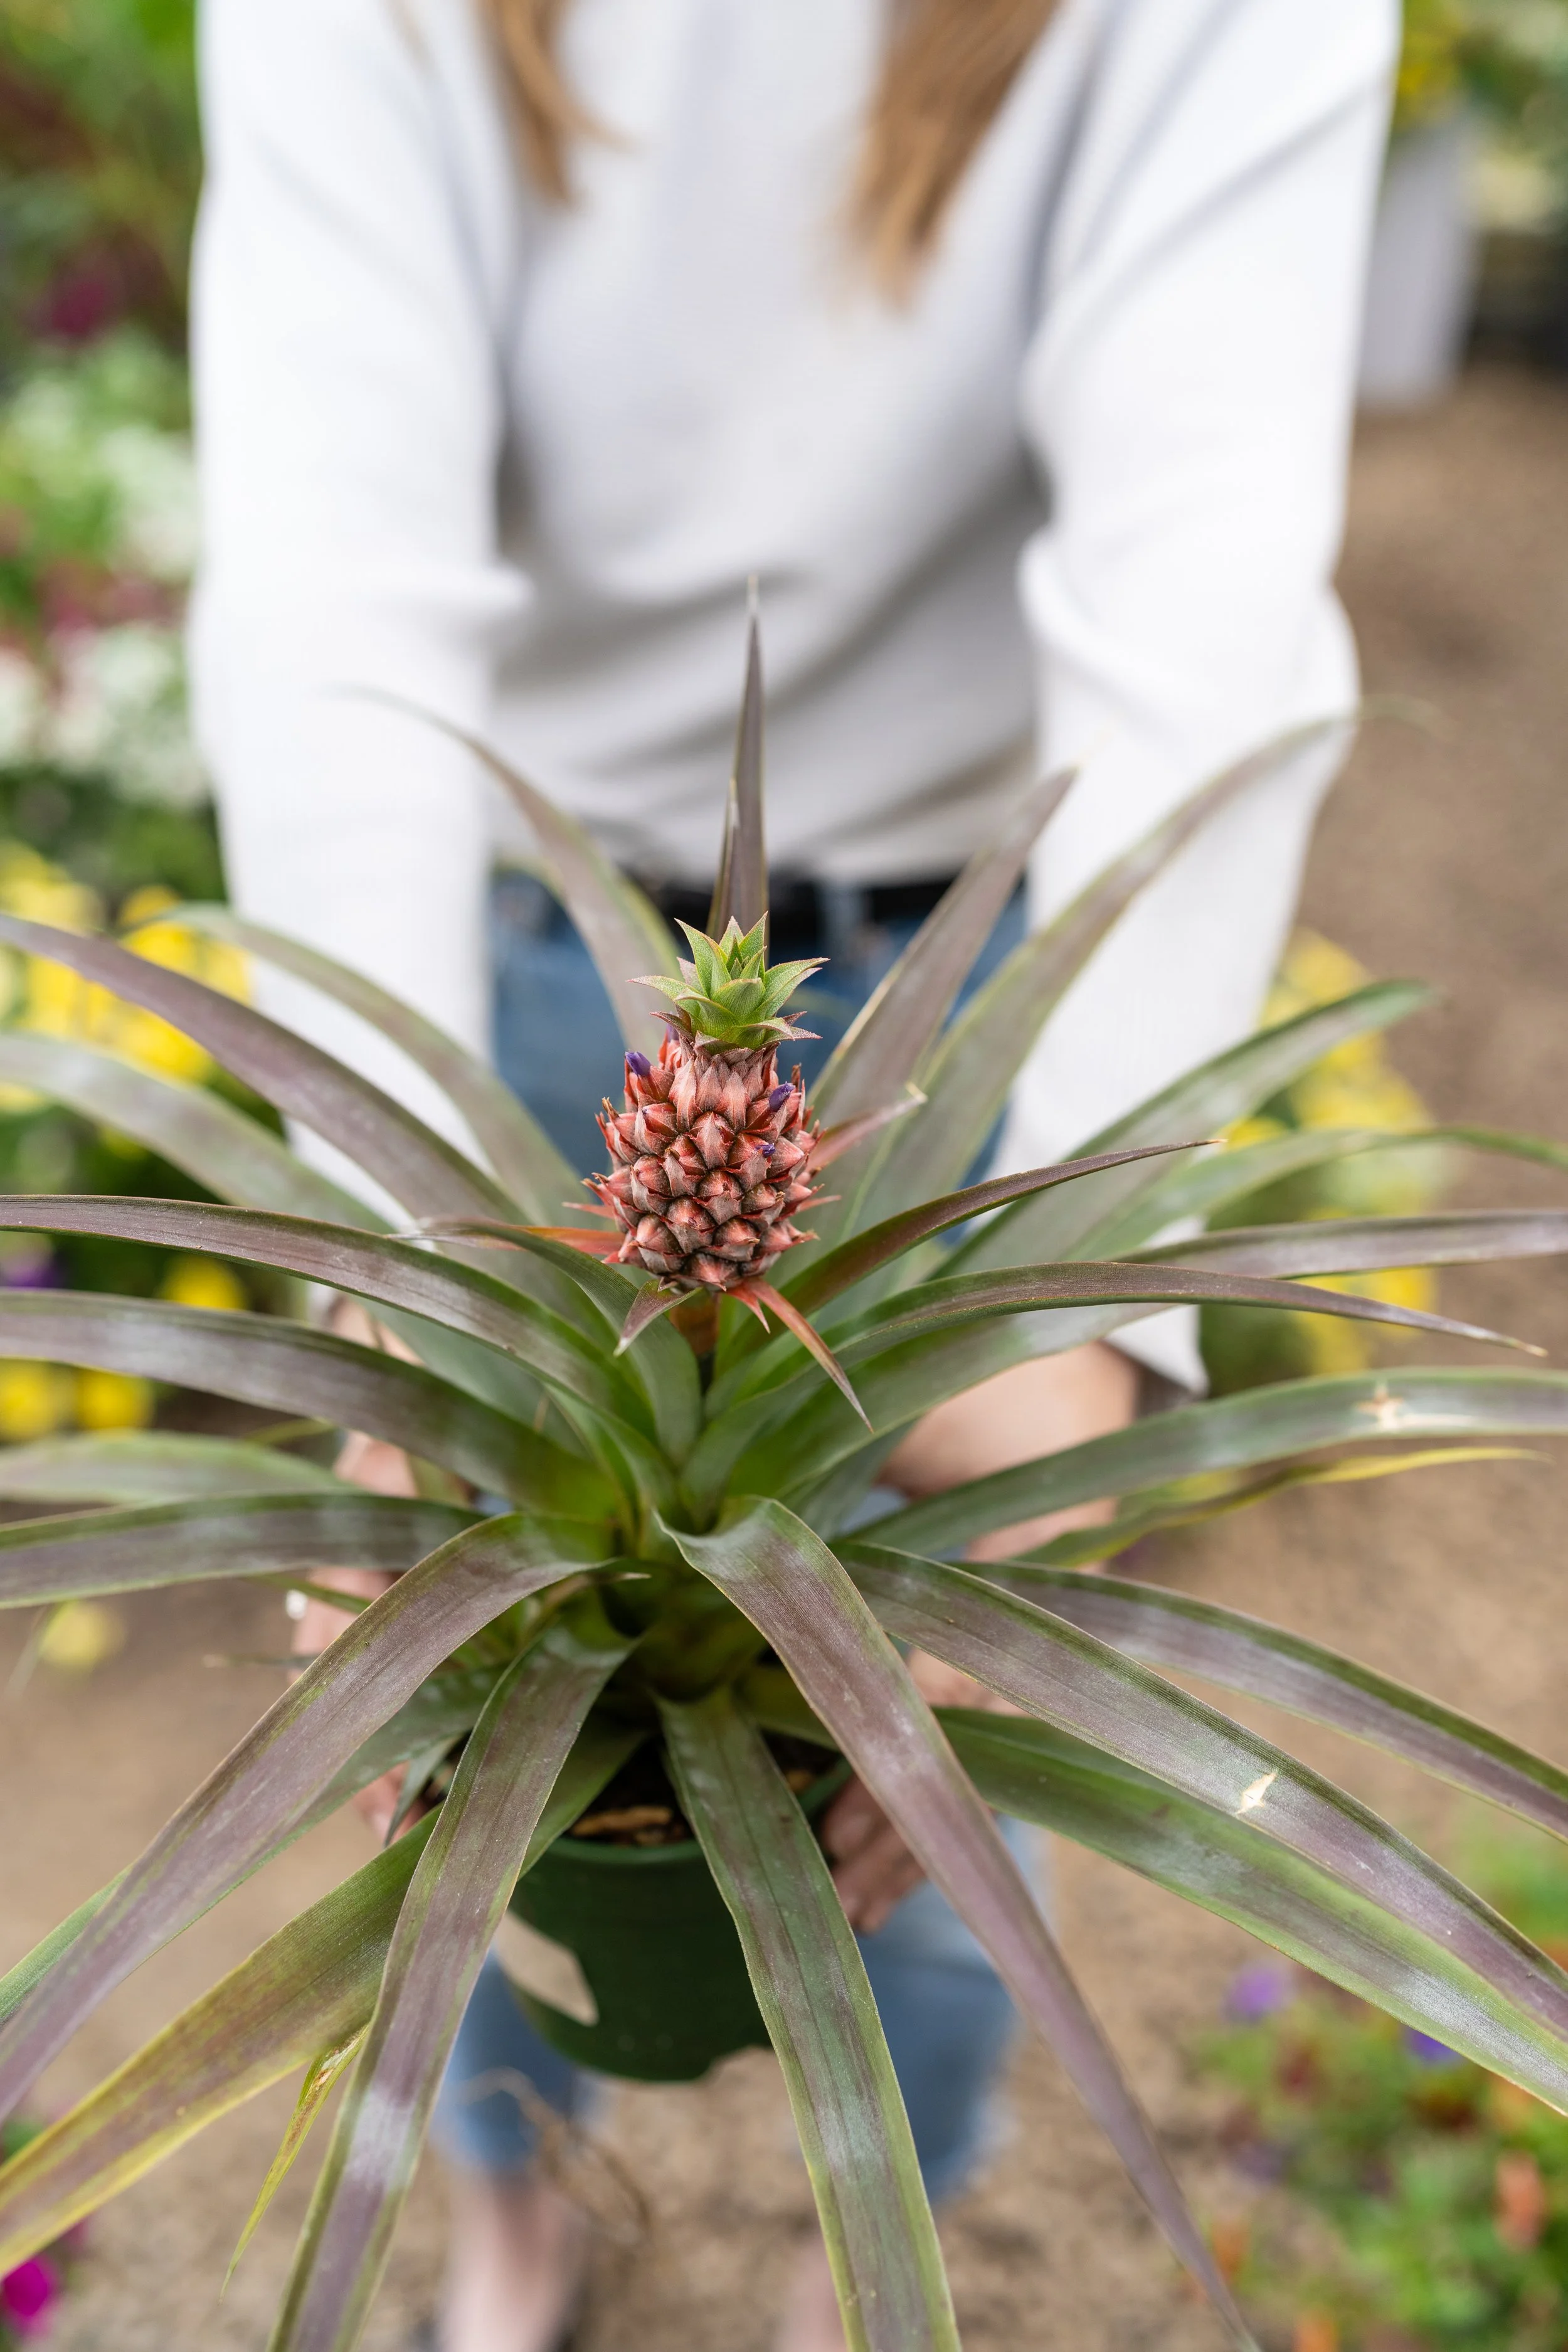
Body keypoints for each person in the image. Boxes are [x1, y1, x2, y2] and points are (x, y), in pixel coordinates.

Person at [190, 2, 1397, 2345]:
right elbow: (334, 553)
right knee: (483, 1732)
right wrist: (375, 1244)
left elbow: (1208, 588)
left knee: (932, 1765)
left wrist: (1082, 1321)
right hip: (527, 962)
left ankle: (887, 2239)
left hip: (977, 981)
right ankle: (515, 2219)